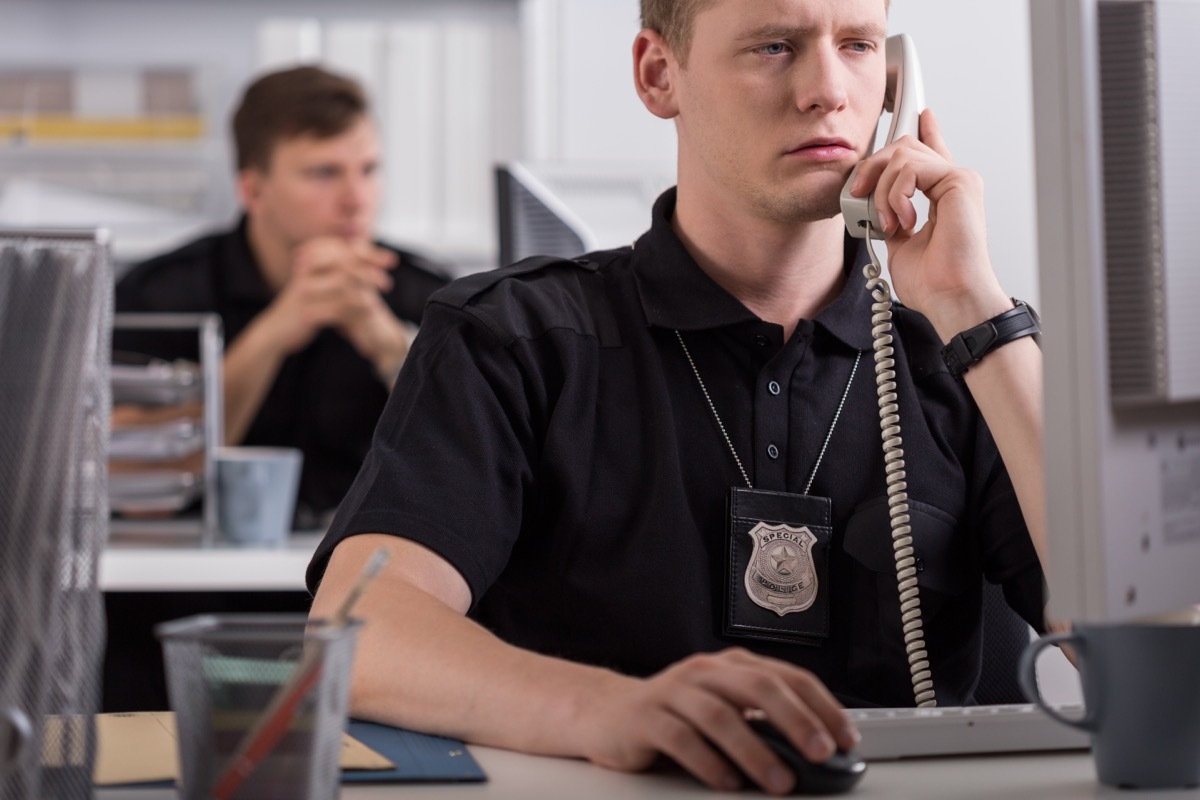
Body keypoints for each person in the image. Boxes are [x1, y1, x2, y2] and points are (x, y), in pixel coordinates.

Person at [307, 0, 1047, 795]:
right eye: (775, 46)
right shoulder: (514, 338)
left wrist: (974, 310)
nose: (830, 91)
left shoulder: (969, 360)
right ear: (660, 75)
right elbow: (358, 629)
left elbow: (1131, 634)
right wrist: (607, 709)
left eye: (859, 45)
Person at [115, 65, 451, 526]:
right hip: (188, 563)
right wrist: (271, 335)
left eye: (369, 170)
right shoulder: (162, 295)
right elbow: (131, 479)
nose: (357, 199)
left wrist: (392, 349)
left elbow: (472, 475)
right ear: (254, 190)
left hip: (371, 563)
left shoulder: (428, 296)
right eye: (324, 173)